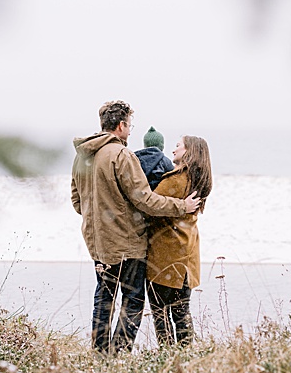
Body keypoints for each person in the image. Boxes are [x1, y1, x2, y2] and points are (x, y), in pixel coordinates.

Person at [70, 101, 202, 354]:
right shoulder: (121, 155)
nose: (130, 132)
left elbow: (78, 202)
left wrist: (101, 218)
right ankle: (119, 354)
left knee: (104, 297)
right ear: (120, 126)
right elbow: (145, 200)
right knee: (132, 301)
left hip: (97, 243)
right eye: (129, 126)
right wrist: (181, 206)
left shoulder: (82, 157)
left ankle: (100, 353)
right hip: (128, 243)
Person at [145, 134, 213, 346]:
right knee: (182, 313)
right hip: (187, 259)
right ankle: (186, 357)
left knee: (161, 313)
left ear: (189, 152)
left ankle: (167, 358)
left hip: (165, 258)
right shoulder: (198, 180)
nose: (173, 150)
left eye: (178, 146)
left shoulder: (175, 180)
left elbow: (149, 207)